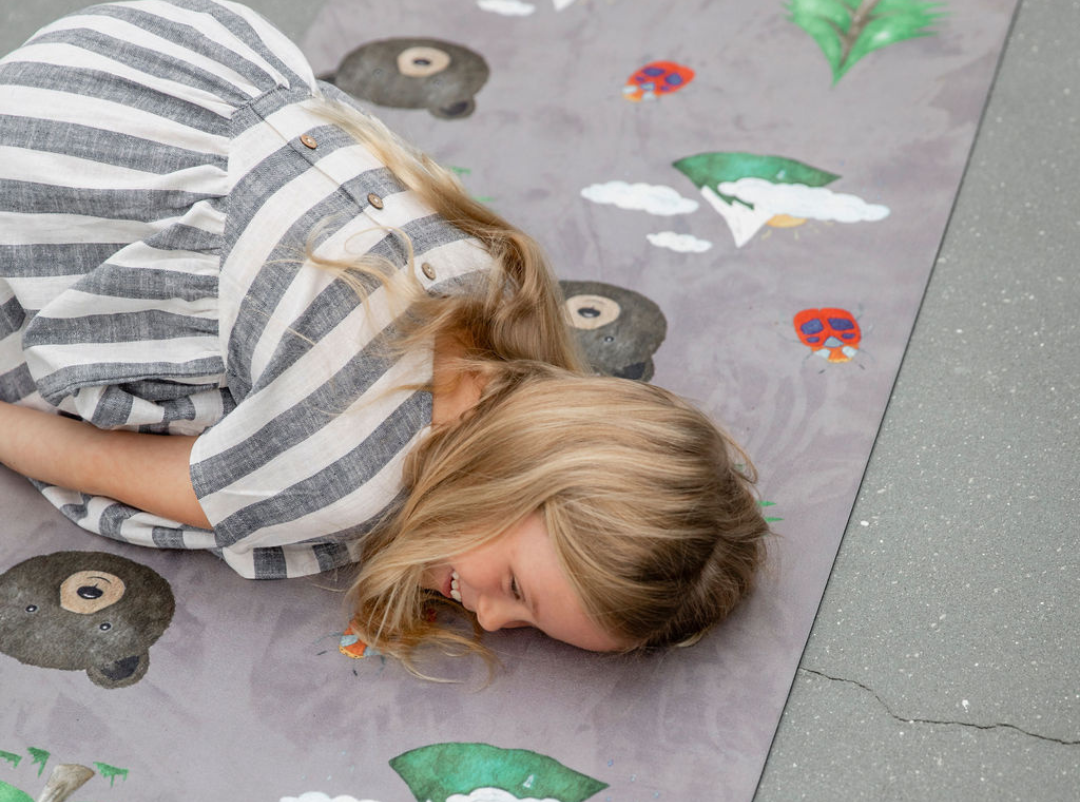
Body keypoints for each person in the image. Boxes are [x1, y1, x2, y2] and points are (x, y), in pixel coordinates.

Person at [0, 0, 768, 673]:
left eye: (522, 623)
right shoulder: (343, 478)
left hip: (152, 59)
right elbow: (105, 464)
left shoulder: (494, 291)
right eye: (517, 589)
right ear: (525, 478)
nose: (493, 620)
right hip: (34, 187)